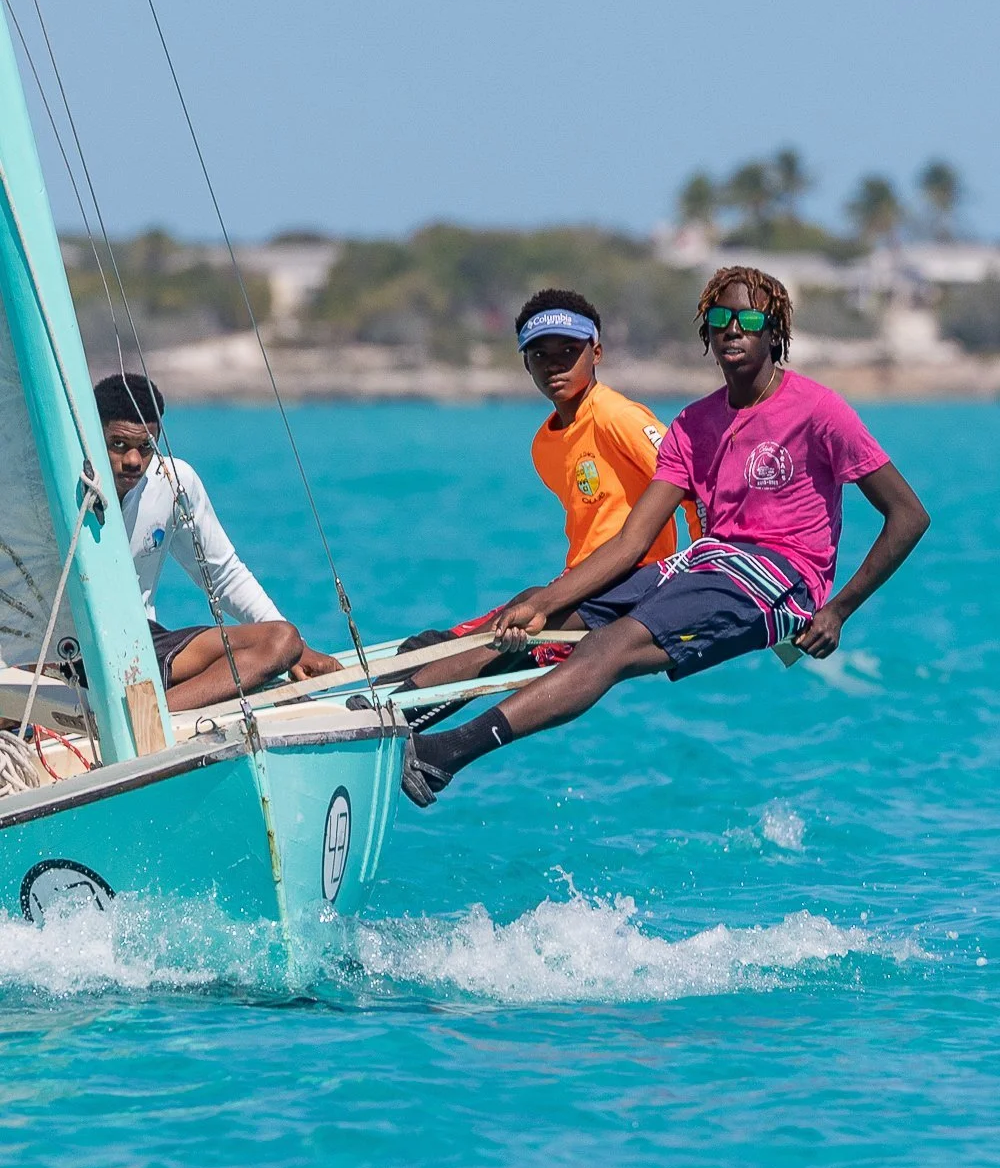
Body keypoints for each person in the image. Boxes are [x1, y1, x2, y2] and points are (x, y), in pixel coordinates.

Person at [401, 266, 930, 806]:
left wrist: (837, 610)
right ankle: (394, 715)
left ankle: (445, 755)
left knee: (611, 646)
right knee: (541, 620)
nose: (732, 329)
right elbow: (633, 541)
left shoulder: (819, 410)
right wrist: (545, 603)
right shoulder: (693, 424)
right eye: (719, 319)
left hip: (781, 580)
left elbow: (908, 515)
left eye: (748, 319)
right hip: (708, 561)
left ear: (774, 331)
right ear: (706, 332)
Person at [395, 289, 700, 716]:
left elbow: (695, 484)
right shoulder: (544, 444)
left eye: (568, 351)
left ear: (596, 353)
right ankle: (411, 682)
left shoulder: (618, 416)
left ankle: (395, 715)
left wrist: (706, 573)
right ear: (525, 363)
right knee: (446, 645)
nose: (554, 364)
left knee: (505, 645)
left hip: (633, 582)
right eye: (540, 355)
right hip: (582, 579)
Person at [94, 372, 341, 712]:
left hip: (140, 646)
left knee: (283, 640)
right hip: (57, 654)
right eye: (118, 444)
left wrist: (299, 650)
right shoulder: (50, 489)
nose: (134, 460)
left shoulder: (174, 482)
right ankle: (140, 720)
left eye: (146, 446)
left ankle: (153, 717)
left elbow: (223, 574)